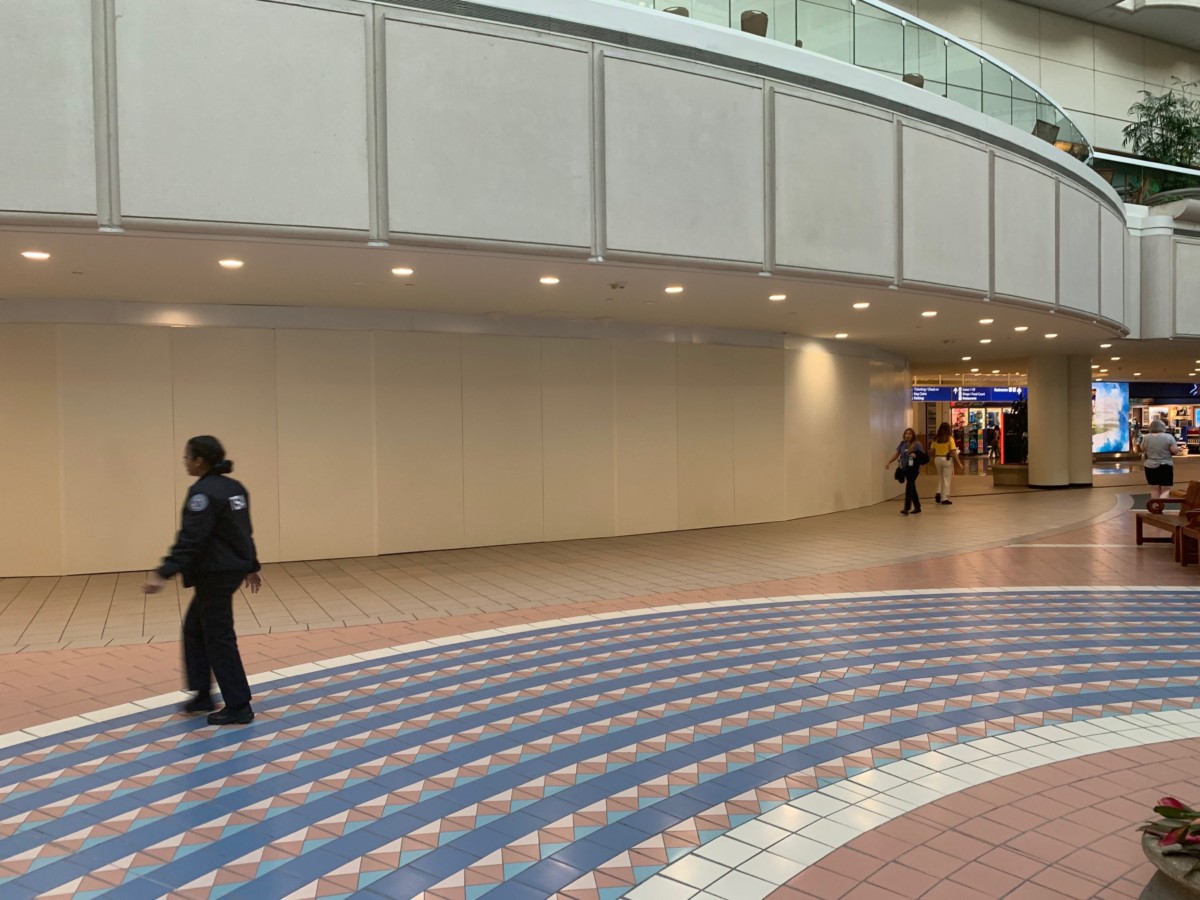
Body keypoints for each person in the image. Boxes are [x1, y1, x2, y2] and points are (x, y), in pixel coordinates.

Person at [143, 436, 262, 725]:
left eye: (187, 457)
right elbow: (243, 531)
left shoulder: (203, 494)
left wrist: (164, 572)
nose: (184, 461)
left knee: (219, 636)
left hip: (215, 573)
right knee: (196, 629)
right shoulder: (234, 488)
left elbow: (192, 539)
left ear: (199, 460)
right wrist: (251, 565)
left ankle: (239, 705)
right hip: (229, 569)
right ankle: (203, 694)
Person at [885, 427, 926, 515]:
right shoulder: (902, 444)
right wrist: (889, 462)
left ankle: (906, 508)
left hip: (914, 469)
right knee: (912, 487)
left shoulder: (916, 444)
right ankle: (917, 507)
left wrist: (915, 455)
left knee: (909, 486)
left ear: (913, 435)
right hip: (905, 468)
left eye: (910, 434)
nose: (907, 435)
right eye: (906, 433)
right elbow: (897, 454)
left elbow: (923, 455)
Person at [1139, 419, 1182, 501]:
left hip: (1150, 465)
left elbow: (1142, 448)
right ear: (1163, 427)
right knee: (1166, 490)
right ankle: (1160, 503)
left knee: (1154, 490)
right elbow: (1175, 451)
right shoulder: (1168, 437)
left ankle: (1155, 508)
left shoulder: (1146, 437)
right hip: (1165, 465)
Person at [929, 422, 964, 506]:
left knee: (941, 478)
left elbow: (931, 451)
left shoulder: (935, 439)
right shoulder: (949, 438)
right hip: (947, 459)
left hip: (937, 459)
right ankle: (945, 498)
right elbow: (954, 451)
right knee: (946, 479)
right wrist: (959, 463)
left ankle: (938, 493)